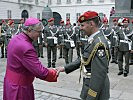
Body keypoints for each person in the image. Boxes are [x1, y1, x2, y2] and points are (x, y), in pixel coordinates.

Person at [57, 11, 111, 100]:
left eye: (82, 25)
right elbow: (84, 58)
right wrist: (65, 68)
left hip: (96, 90)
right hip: (89, 84)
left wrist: (91, 96)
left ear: (91, 24)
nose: (80, 28)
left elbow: (98, 75)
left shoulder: (99, 44)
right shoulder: (93, 39)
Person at [3, 18, 58, 100]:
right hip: (20, 88)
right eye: (38, 32)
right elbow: (40, 72)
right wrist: (54, 72)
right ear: (29, 30)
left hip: (10, 83)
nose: (40, 34)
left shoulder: (15, 39)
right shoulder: (27, 48)